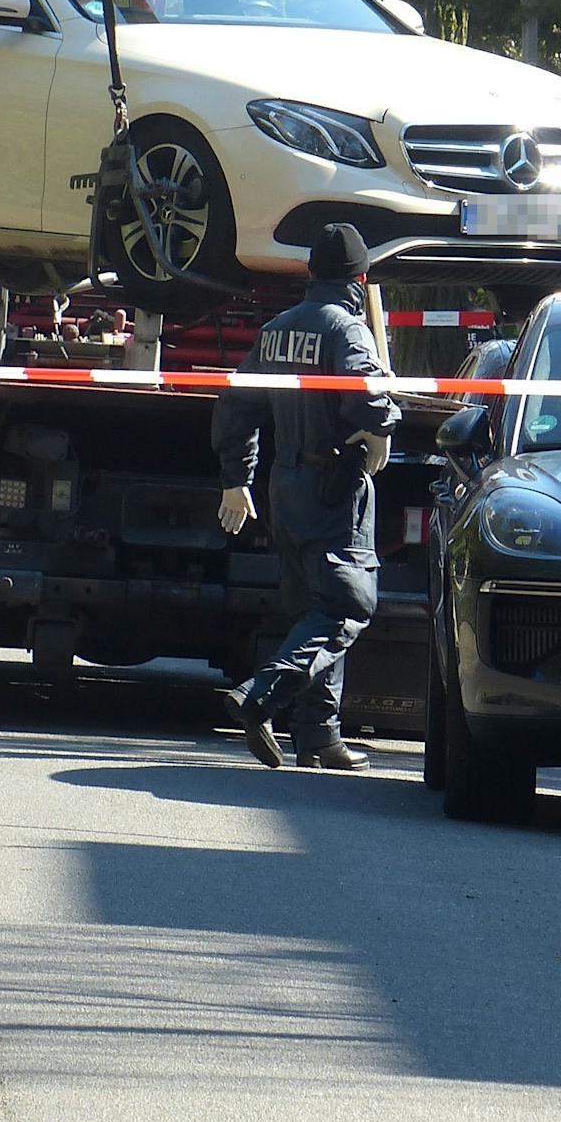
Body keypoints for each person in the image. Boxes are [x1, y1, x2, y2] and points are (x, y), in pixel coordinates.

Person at [212, 223, 399, 772]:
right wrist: (386, 421)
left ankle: (319, 736)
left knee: (312, 610)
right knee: (346, 605)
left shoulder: (276, 329)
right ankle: (259, 698)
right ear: (361, 279)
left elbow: (236, 405)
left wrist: (235, 477)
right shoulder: (348, 329)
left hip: (285, 485)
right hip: (334, 486)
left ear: (311, 272)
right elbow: (367, 399)